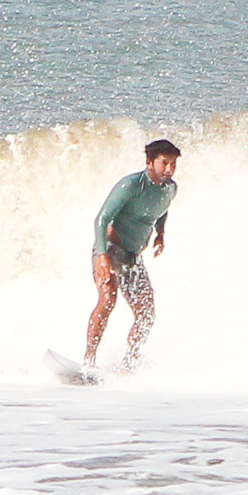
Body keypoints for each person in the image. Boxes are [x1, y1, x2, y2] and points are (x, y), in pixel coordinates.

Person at [83, 138, 181, 372]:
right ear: (150, 163)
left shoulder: (170, 188)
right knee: (107, 300)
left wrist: (160, 234)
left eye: (173, 164)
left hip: (132, 256)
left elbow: (162, 210)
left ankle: (129, 364)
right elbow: (101, 219)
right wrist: (102, 256)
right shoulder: (131, 185)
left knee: (146, 313)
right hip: (109, 249)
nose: (169, 169)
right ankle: (88, 361)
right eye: (164, 163)